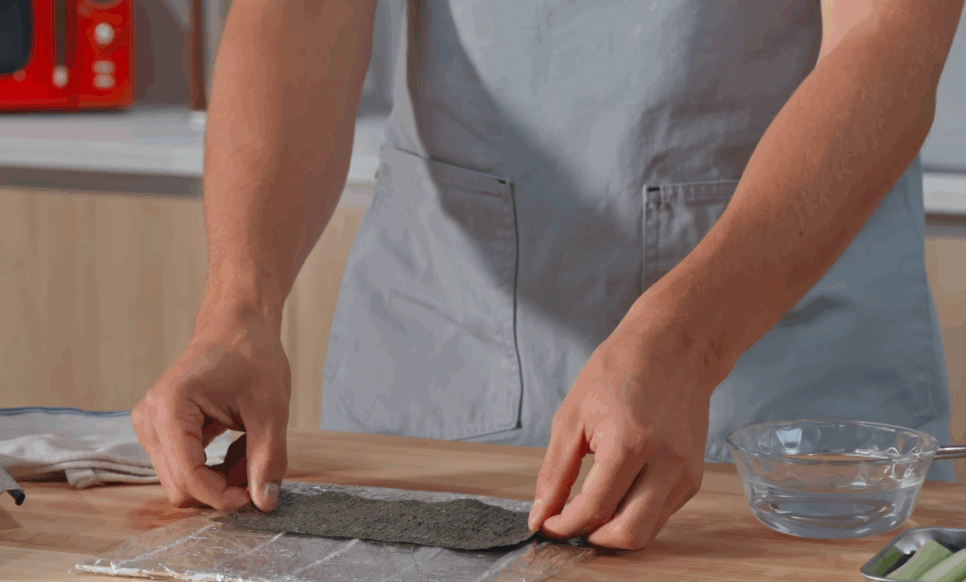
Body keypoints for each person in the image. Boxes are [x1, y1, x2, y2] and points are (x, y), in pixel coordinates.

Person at [132, 0, 964, 550]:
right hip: (441, 362)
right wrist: (238, 305)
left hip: (780, 389)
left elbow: (887, 35)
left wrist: (689, 336)